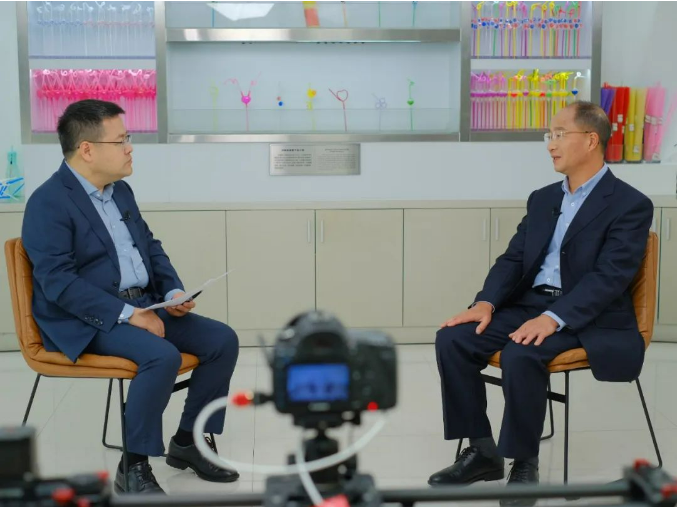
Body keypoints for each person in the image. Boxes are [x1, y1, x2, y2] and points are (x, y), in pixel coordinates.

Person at [429, 101, 653, 506]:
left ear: (591, 140)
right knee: (453, 339)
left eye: (559, 134)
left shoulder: (630, 204)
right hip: (530, 303)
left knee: (522, 352)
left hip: (587, 316)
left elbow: (610, 277)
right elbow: (514, 259)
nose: (550, 144)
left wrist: (554, 317)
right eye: (549, 135)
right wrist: (486, 303)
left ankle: (524, 463)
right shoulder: (542, 198)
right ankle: (483, 451)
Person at [22, 99, 240, 494]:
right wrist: (127, 313)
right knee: (161, 356)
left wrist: (172, 291)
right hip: (86, 318)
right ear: (87, 149)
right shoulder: (48, 202)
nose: (129, 148)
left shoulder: (119, 192)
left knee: (221, 340)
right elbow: (58, 282)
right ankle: (133, 466)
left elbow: (149, 247)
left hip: (144, 304)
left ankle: (188, 442)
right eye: (121, 140)